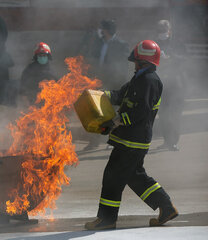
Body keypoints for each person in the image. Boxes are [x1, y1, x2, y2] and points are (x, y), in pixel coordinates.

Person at [84, 40, 178, 230]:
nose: (133, 64)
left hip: (133, 140)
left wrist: (116, 121)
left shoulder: (150, 81)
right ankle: (166, 207)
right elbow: (120, 95)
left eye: (136, 60)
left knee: (113, 176)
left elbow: (141, 110)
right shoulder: (139, 78)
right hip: (130, 139)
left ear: (143, 61)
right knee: (135, 176)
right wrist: (100, 95)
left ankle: (107, 219)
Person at [79, 19, 129, 150]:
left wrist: (118, 82)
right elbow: (92, 60)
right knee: (96, 111)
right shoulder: (98, 43)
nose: (100, 31)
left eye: (102, 28)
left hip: (113, 83)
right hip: (98, 81)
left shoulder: (121, 44)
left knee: (111, 112)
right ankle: (94, 142)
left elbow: (123, 66)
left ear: (107, 30)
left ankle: (112, 140)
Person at [155, 20, 186, 151]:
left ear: (169, 30)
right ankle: (166, 140)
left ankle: (173, 141)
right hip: (161, 83)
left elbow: (184, 57)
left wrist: (170, 57)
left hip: (175, 83)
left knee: (175, 114)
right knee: (163, 113)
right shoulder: (154, 43)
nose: (162, 33)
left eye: (164, 30)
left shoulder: (177, 42)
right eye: (160, 30)